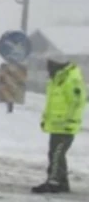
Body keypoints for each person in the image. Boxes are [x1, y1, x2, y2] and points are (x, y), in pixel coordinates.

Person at [33, 55, 85, 194]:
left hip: (66, 126)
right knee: (55, 153)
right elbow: (53, 103)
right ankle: (62, 182)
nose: (47, 68)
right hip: (57, 125)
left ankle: (54, 182)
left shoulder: (70, 79)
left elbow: (78, 101)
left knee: (57, 153)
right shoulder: (57, 79)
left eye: (50, 64)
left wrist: (70, 119)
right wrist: (46, 120)